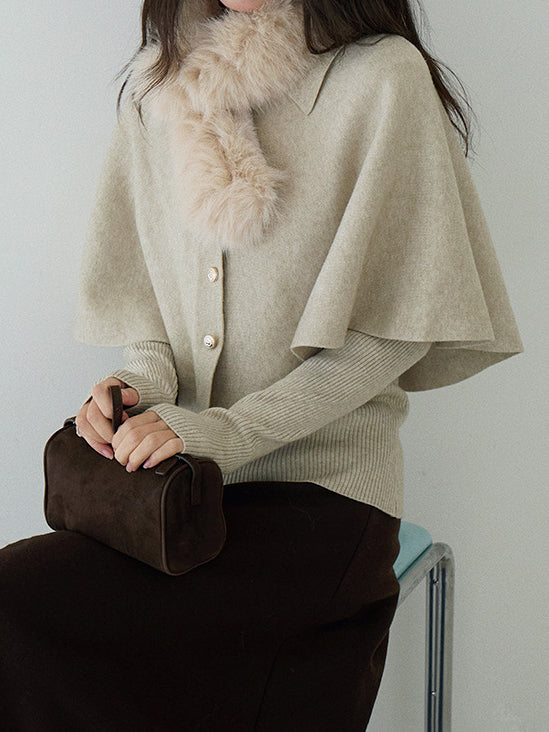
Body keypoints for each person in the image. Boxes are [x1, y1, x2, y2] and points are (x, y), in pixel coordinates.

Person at [0, 0, 523, 729]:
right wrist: (133, 392)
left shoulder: (381, 78)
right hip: (175, 504)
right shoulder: (159, 86)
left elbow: (389, 337)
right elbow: (151, 322)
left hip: (322, 504)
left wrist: (222, 432)